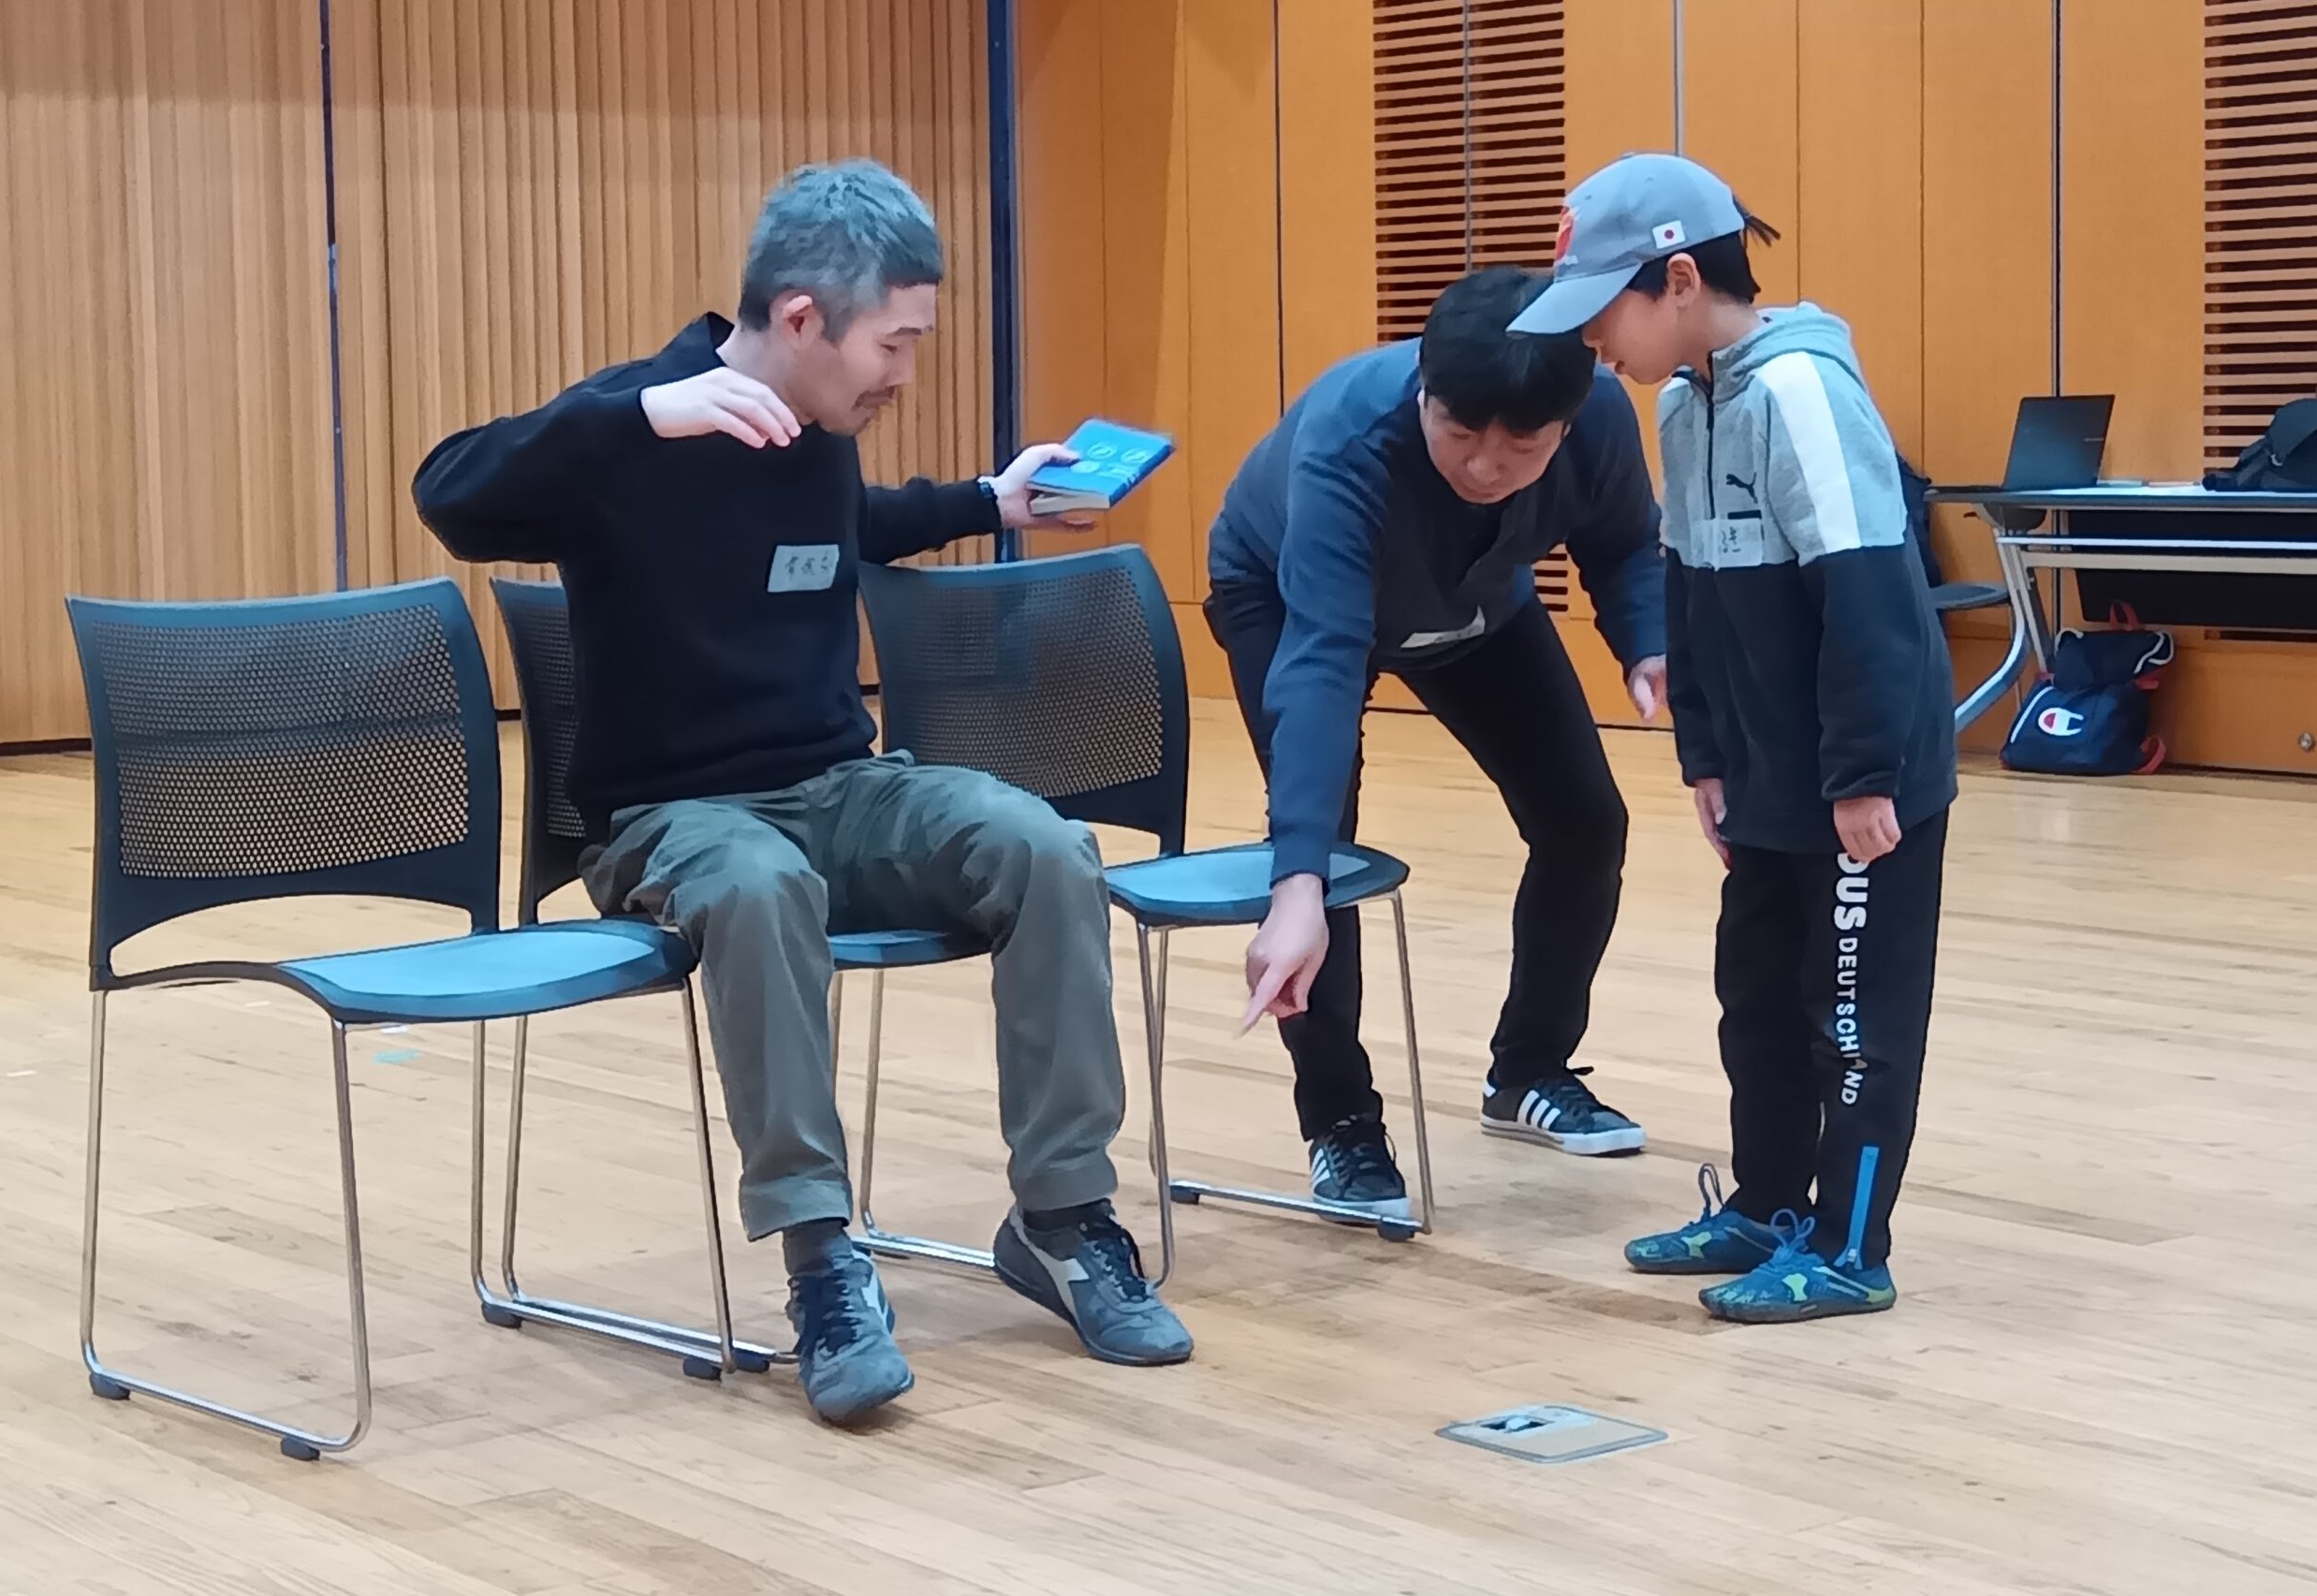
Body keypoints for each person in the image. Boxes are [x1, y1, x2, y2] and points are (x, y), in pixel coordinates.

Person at [412, 159, 1193, 1421]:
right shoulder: (637, 425)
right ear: (799, 318)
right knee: (760, 883)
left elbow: (847, 524)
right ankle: (822, 1258)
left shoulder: (818, 435)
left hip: (837, 786)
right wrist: (638, 416)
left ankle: (1061, 1216)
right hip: (673, 819)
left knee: (1043, 845)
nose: (904, 373)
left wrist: (989, 501)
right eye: (894, 343)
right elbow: (447, 490)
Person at [1514, 152, 1956, 1323]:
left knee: (1850, 1019)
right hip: (1763, 771)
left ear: (1674, 281)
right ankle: (1768, 1207)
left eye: (1602, 310)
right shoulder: (1681, 403)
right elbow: (1693, 596)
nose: (1591, 341)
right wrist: (1703, 756)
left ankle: (1849, 1249)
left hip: (1861, 775)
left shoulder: (1801, 392)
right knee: (1755, 1002)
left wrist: (1862, 776)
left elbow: (1869, 596)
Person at [1206, 265, 1668, 1224]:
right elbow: (1323, 658)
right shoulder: (1349, 440)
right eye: (1459, 434)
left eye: (1521, 447)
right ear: (1425, 391)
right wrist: (1295, 880)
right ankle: (1340, 1120)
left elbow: (1624, 544)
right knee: (1324, 863)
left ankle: (1529, 1068)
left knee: (1586, 821)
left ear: (1565, 425)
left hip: (1473, 602)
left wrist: (1647, 642)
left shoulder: (1601, 417)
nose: (1486, 467)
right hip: (1286, 598)